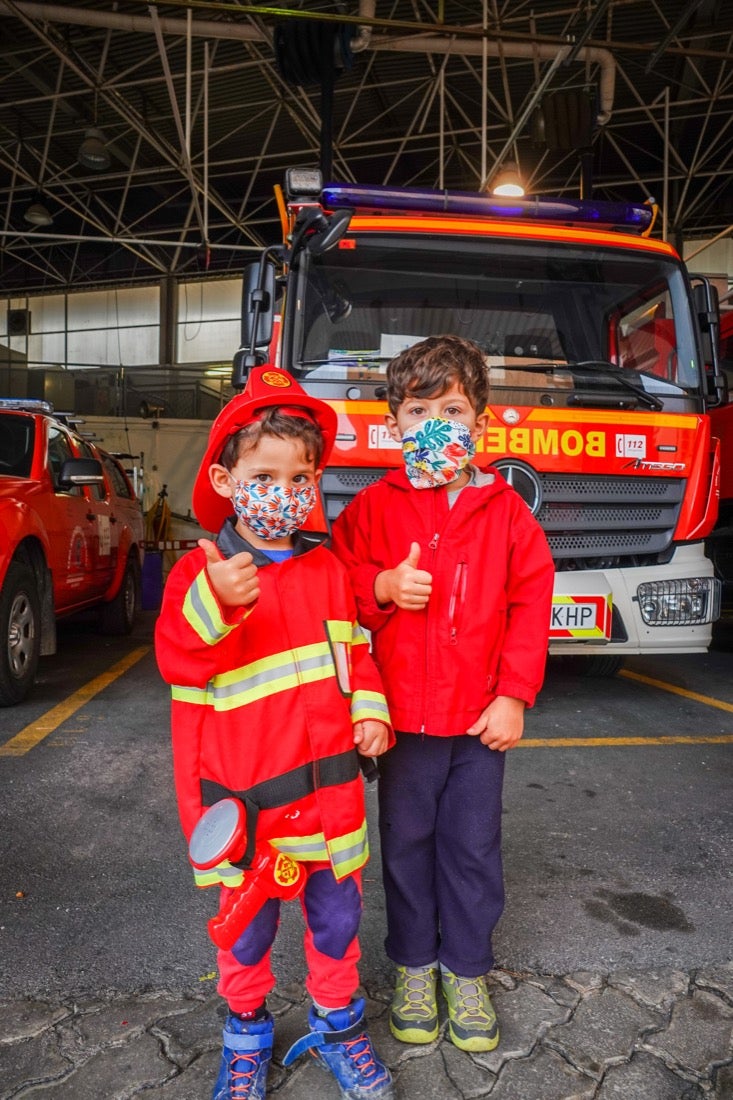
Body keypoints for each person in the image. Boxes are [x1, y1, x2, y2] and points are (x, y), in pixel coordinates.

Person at [155, 366, 394, 1100]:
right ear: (226, 482)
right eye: (265, 475)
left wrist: (371, 708)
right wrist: (215, 602)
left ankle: (337, 1025)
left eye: (300, 477)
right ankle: (246, 1034)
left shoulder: (328, 565)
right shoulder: (202, 570)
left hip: (328, 804)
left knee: (335, 923)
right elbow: (178, 655)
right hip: (247, 809)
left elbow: (353, 648)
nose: (285, 492)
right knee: (246, 932)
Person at [330, 334, 555, 1054]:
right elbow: (334, 593)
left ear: (479, 423)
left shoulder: (507, 514)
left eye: (450, 408)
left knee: (470, 848)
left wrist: (513, 695)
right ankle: (413, 967)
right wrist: (381, 588)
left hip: (476, 725)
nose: (434, 422)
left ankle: (465, 969)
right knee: (405, 848)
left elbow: (529, 603)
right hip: (399, 726)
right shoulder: (371, 509)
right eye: (417, 407)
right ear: (392, 422)